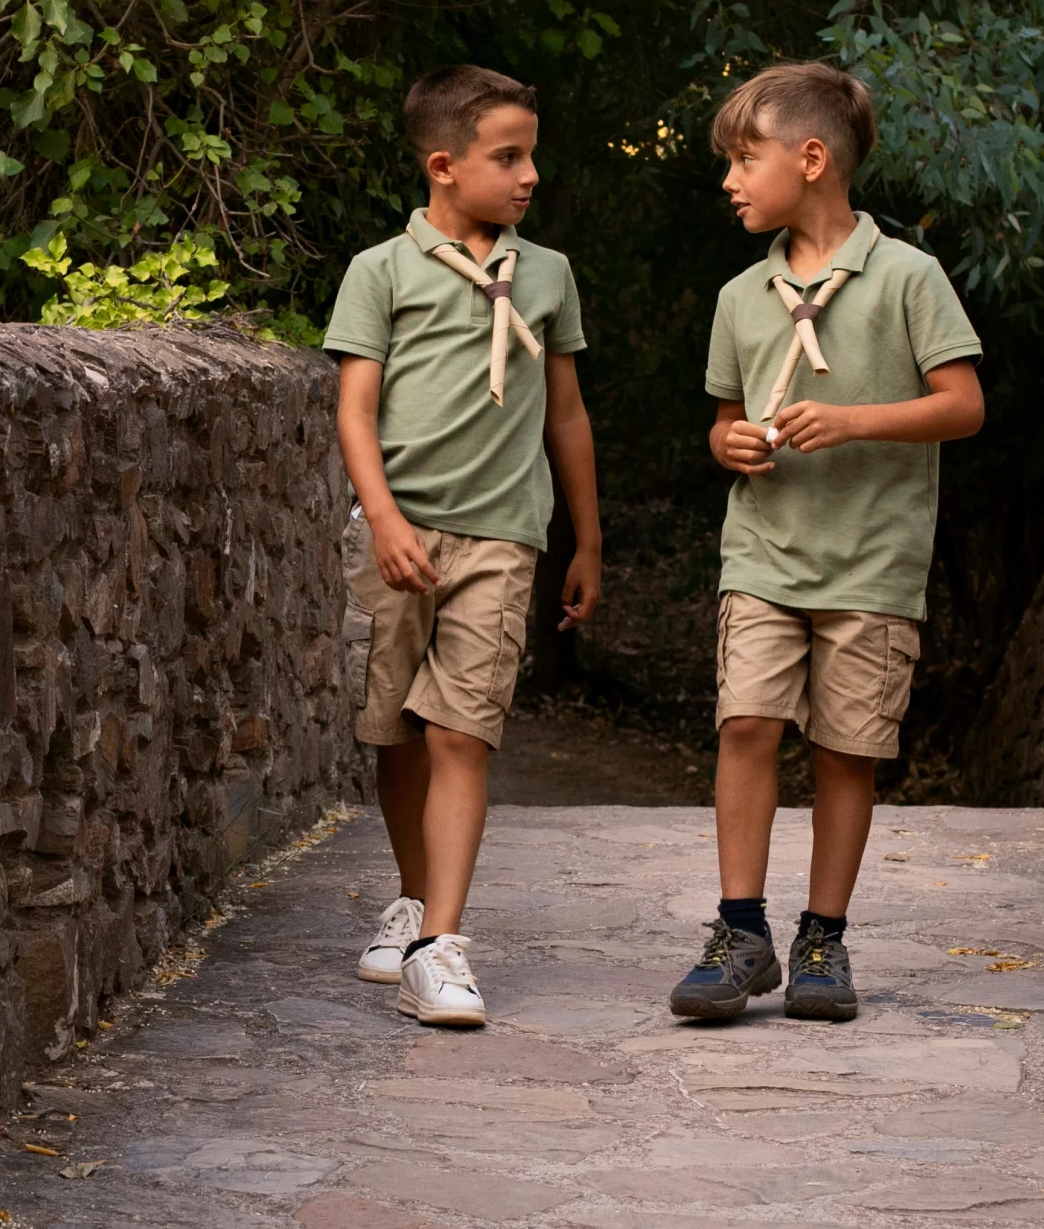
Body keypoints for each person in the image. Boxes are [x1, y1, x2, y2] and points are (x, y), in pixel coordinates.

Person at [669, 62, 984, 1022]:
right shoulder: (739, 296)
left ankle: (823, 939)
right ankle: (739, 931)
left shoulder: (909, 277)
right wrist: (730, 445)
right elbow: (726, 422)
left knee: (847, 751)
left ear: (810, 160)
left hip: (873, 562)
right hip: (764, 553)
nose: (730, 180)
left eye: (744, 158)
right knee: (748, 725)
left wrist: (849, 422)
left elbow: (964, 408)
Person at [324, 64, 603, 1026]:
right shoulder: (381, 272)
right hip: (401, 536)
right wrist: (387, 519)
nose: (529, 175)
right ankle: (410, 897)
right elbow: (355, 411)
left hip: (503, 536)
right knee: (396, 729)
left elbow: (566, 414)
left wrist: (587, 542)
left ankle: (440, 946)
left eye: (532, 155)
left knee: (461, 728)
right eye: (508, 156)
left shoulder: (550, 274)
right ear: (443, 166)